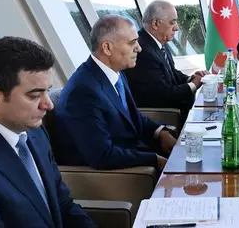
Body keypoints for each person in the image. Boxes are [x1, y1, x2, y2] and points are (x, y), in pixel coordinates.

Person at [0, 37, 96, 228]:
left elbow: (63, 204)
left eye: (47, 92)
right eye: (34, 95)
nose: (48, 104)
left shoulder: (33, 131)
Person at [55, 15, 176, 171]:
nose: (139, 48)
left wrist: (160, 132)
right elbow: (103, 155)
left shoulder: (115, 72)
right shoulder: (82, 92)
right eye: (132, 42)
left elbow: (133, 117)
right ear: (107, 48)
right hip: (117, 176)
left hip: (135, 150)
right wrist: (154, 159)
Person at [124, 0, 208, 124]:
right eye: (172, 22)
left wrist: (191, 78)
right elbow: (162, 95)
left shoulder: (157, 42)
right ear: (156, 24)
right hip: (160, 116)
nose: (177, 28)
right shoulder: (142, 50)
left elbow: (172, 73)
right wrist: (193, 85)